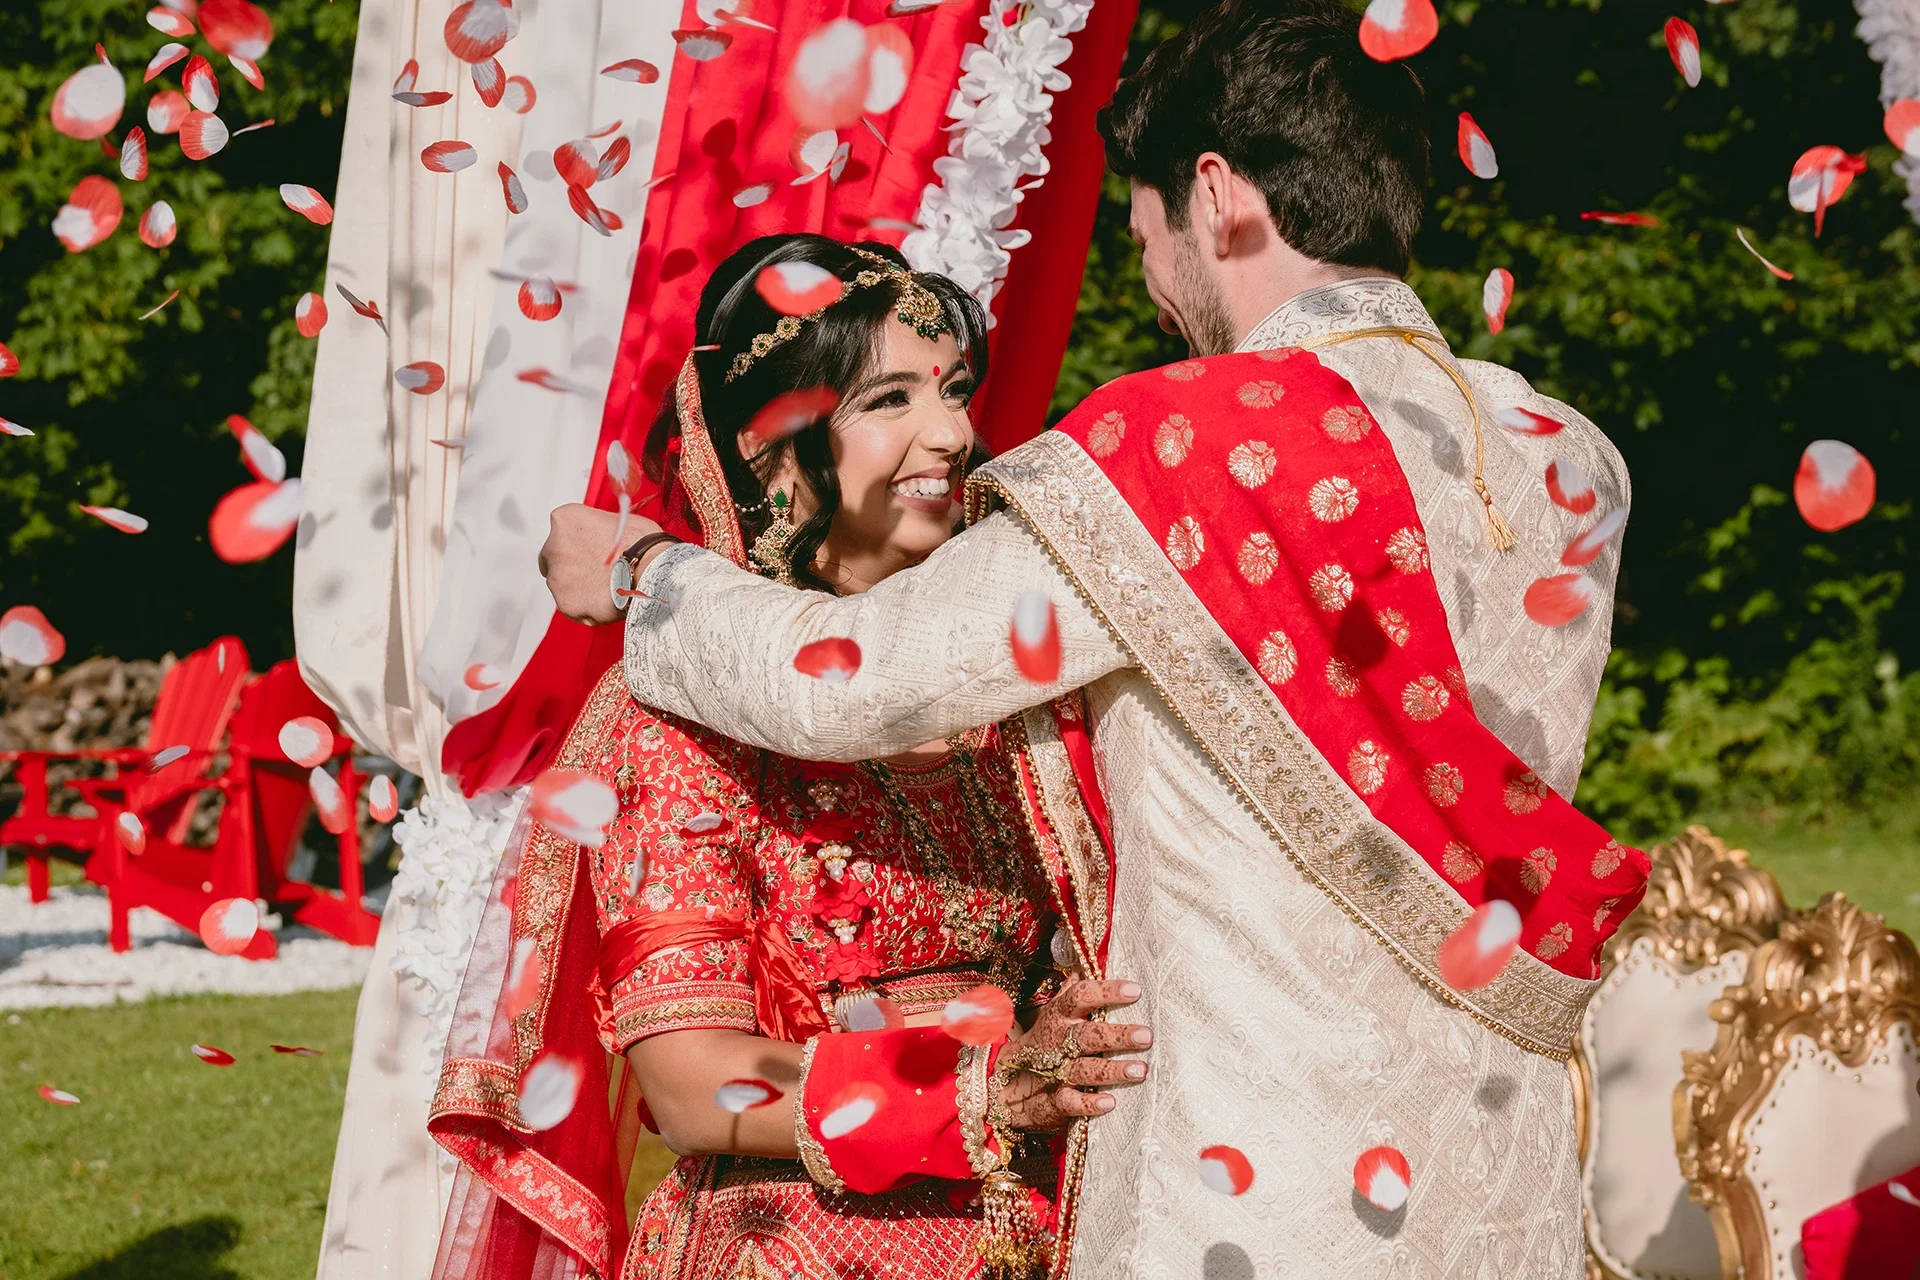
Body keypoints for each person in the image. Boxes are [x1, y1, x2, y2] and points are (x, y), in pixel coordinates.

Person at [540, 1, 1656, 1274]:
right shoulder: (1571, 459)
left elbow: (847, 683)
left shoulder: (1174, 449)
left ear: (1218, 194)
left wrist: (643, 572)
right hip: (1494, 1168)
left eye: (1142, 232)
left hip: (1246, 1183)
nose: (1152, 286)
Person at [428, 234, 1151, 1280]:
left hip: (1047, 1225)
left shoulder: (1011, 685)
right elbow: (690, 1081)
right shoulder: (677, 715)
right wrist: (983, 1086)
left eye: (951, 389)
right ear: (769, 447)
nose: (951, 432)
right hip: (798, 1243)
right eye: (890, 399)